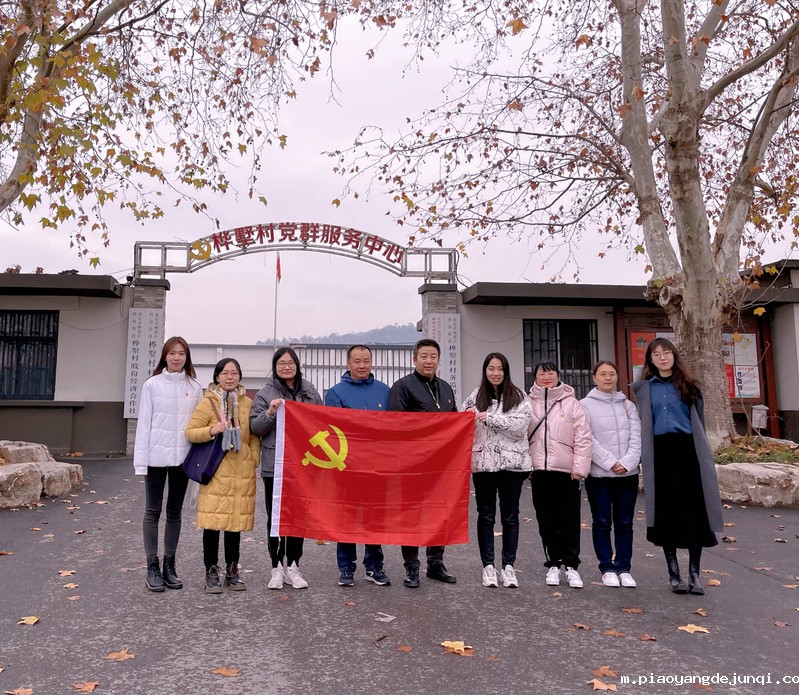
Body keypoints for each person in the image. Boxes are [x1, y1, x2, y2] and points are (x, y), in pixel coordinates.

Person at [631, 338, 723, 595]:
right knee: (665, 512)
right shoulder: (643, 388)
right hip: (659, 454)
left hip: (688, 452)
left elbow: (699, 421)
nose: (662, 358)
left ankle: (694, 574)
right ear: (650, 359)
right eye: (656, 354)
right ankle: (674, 573)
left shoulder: (690, 385)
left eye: (666, 353)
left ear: (674, 355)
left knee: (695, 512)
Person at [133, 336, 202, 592]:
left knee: (175, 512)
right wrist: (141, 463)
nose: (176, 358)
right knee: (153, 511)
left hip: (182, 459)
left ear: (187, 357)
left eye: (181, 353)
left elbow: (198, 425)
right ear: (165, 356)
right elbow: (144, 425)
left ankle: (169, 566)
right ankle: (152, 566)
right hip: (156, 459)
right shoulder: (152, 385)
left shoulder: (194, 387)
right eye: (172, 353)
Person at [388, 337, 458, 588]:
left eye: (433, 357)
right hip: (412, 465)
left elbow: (454, 423)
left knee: (440, 513)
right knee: (411, 515)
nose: (429, 361)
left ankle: (435, 563)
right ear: (414, 359)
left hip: (441, 466)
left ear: (439, 360)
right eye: (424, 356)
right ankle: (411, 566)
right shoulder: (402, 387)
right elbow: (395, 425)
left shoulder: (445, 388)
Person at [250, 347, 322, 590]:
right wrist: (270, 412)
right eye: (281, 363)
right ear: (275, 367)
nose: (286, 367)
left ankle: (293, 565)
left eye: (290, 362)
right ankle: (276, 567)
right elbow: (256, 427)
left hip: (303, 464)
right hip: (275, 465)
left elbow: (321, 421)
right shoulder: (265, 393)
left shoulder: (309, 391)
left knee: (298, 516)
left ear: (297, 365)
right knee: (276, 517)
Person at [185, 358, 259, 593]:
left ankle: (232, 570)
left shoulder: (247, 403)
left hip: (241, 472)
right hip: (216, 471)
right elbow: (190, 432)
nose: (230, 377)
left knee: (234, 525)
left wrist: (253, 458)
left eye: (234, 373)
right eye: (225, 373)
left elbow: (253, 436)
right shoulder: (209, 402)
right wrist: (211, 430)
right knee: (213, 523)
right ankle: (211, 571)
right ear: (217, 376)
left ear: (239, 376)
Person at [462, 352, 533, 588]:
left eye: (500, 369)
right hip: (484, 466)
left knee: (510, 516)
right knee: (486, 516)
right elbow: (463, 422)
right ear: (485, 371)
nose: (495, 373)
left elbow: (520, 426)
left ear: (506, 371)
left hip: (512, 466)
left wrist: (490, 418)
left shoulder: (519, 396)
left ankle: (509, 566)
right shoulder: (475, 396)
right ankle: (488, 566)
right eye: (491, 368)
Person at [325, 344, 392, 587]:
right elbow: (332, 431)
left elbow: (395, 427)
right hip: (348, 467)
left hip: (378, 466)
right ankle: (346, 567)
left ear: (371, 363)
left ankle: (374, 566)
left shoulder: (384, 391)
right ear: (348, 363)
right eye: (357, 361)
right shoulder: (336, 393)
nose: (362, 366)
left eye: (366, 361)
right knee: (347, 516)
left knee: (374, 516)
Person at [527, 361, 591, 589]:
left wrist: (579, 469)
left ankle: (572, 565)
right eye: (542, 373)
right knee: (546, 520)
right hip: (539, 471)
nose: (546, 377)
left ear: (558, 376)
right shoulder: (528, 403)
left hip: (567, 472)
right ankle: (553, 563)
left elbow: (583, 437)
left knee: (570, 521)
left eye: (551, 373)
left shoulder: (572, 404)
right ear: (535, 377)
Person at [581, 360, 642, 588]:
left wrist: (626, 463)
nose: (608, 378)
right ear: (594, 377)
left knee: (625, 523)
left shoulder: (628, 405)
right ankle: (606, 567)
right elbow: (587, 438)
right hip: (599, 476)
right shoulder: (584, 405)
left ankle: (624, 567)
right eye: (603, 374)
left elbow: (636, 437)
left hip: (627, 475)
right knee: (602, 522)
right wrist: (609, 462)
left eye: (612, 374)